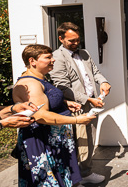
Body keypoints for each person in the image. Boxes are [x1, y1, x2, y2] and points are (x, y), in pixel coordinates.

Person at [12, 44, 96, 186]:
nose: (53, 60)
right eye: (48, 57)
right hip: (44, 142)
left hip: (55, 141)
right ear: (32, 61)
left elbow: (44, 100)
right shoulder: (31, 84)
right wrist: (77, 120)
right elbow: (41, 116)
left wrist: (64, 103)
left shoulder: (40, 79)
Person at [50, 22, 111, 185]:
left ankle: (83, 172)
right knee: (80, 141)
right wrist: (88, 99)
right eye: (72, 41)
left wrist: (103, 82)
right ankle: (82, 174)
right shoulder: (57, 57)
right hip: (75, 105)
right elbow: (62, 87)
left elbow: (95, 72)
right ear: (61, 39)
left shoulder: (84, 53)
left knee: (88, 139)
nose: (76, 43)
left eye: (77, 39)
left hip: (92, 103)